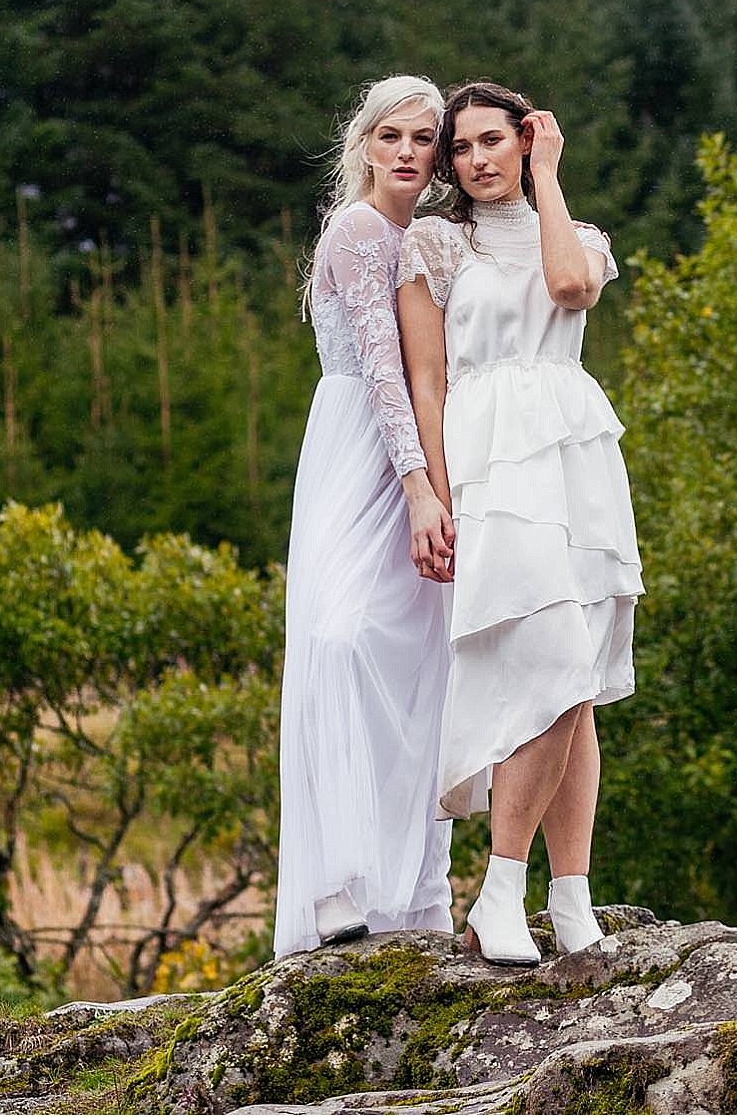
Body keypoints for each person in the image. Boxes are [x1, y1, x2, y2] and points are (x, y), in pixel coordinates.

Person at [397, 81, 642, 966]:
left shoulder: (578, 237)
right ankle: (500, 890)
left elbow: (570, 289)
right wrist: (434, 494)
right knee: (553, 659)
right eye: (461, 149)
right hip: (491, 461)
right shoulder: (435, 242)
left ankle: (571, 898)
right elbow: (428, 383)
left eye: (492, 141)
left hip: (575, 459)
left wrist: (549, 177)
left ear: (526, 141)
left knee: (581, 682)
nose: (476, 161)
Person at [272, 75, 460, 958]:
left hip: (424, 450)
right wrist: (419, 487)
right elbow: (384, 367)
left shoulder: (429, 239)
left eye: (424, 139)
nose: (408, 153)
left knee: (421, 660)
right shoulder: (355, 230)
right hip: (359, 452)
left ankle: (418, 891)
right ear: (365, 146)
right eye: (392, 136)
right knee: (339, 640)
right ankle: (333, 882)